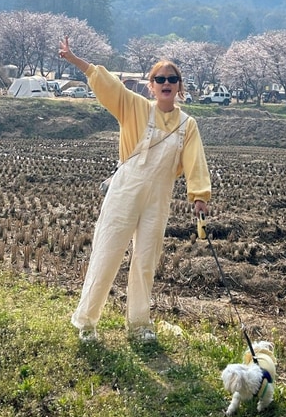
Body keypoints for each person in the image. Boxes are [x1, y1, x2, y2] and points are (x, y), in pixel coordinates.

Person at [58, 36, 211, 343]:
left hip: (159, 197)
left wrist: (199, 197)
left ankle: (139, 324)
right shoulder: (135, 107)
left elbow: (195, 161)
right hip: (125, 190)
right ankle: (87, 321)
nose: (166, 83)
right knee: (107, 252)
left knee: (146, 260)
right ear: (151, 85)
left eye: (172, 79)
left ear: (179, 86)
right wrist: (76, 60)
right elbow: (109, 86)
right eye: (160, 79)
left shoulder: (188, 125)